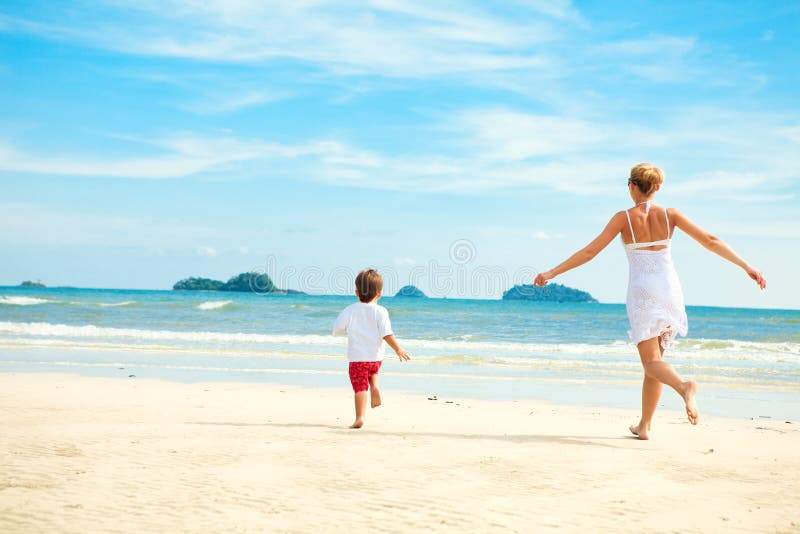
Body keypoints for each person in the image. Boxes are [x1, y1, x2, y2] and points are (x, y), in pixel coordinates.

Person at [533, 163, 766, 439]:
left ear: (632, 186)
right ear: (657, 187)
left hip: (643, 293)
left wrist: (552, 272)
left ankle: (683, 387)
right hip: (670, 291)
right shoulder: (671, 215)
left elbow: (590, 252)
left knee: (651, 363)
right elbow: (710, 240)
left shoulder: (624, 218)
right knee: (655, 363)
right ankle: (644, 425)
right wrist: (746, 266)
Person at [333, 268, 411, 429]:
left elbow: (337, 328)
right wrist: (397, 349)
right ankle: (375, 386)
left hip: (357, 359)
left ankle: (359, 417)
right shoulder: (381, 311)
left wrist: (341, 331)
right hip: (376, 359)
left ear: (356, 292)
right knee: (373, 372)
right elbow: (386, 333)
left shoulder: (350, 310)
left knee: (360, 387)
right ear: (379, 294)